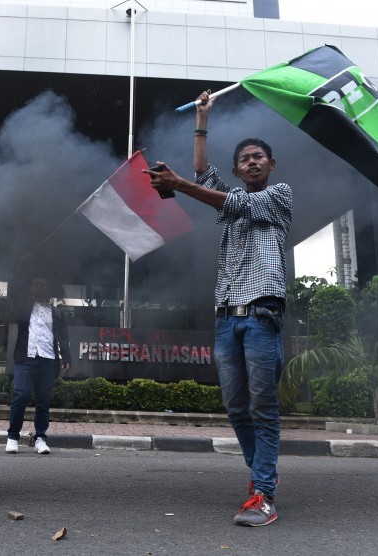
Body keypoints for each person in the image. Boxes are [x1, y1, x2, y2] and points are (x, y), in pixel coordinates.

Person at [144, 90, 292, 527]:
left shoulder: (277, 196)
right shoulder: (225, 200)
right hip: (228, 317)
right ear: (237, 168)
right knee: (235, 407)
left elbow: (225, 199)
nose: (251, 162)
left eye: (258, 156)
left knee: (263, 408)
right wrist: (201, 121)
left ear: (270, 165)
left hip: (263, 316)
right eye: (244, 158)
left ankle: (264, 493)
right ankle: (261, 476)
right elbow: (204, 176)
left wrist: (180, 187)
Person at [6, 275, 71, 455]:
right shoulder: (24, 307)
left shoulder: (56, 312)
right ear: (30, 288)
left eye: (43, 284)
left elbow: (63, 336)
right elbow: (14, 291)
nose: (39, 287)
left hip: (48, 359)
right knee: (21, 394)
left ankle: (40, 439)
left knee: (43, 400)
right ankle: (13, 437)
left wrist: (67, 357)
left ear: (49, 289)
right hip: (25, 359)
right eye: (36, 284)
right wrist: (19, 269)